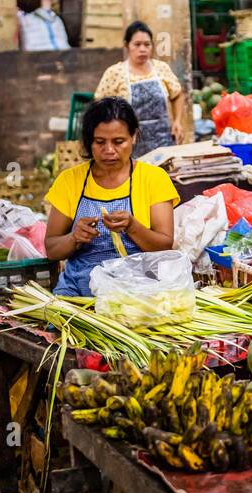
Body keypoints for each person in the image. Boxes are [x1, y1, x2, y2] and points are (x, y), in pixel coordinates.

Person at [44, 96, 181, 296]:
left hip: (136, 289)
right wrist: (74, 238)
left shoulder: (153, 179)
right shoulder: (70, 181)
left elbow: (164, 245)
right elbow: (52, 249)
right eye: (100, 142)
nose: (109, 150)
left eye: (118, 142)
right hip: (80, 289)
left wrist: (133, 227)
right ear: (89, 140)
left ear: (133, 136)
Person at [94, 21, 186, 158]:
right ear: (127, 46)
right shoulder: (115, 73)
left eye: (147, 44)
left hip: (163, 141)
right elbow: (100, 106)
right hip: (129, 144)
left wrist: (177, 121)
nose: (142, 49)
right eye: (137, 44)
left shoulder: (161, 69)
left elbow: (177, 95)